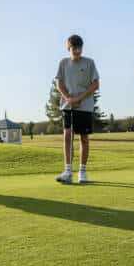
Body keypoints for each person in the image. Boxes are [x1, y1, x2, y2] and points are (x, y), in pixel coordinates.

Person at [55, 34, 100, 184]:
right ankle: (67, 170)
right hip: (68, 106)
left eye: (79, 48)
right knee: (67, 135)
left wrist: (79, 98)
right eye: (74, 48)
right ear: (69, 48)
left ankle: (82, 171)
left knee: (83, 138)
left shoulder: (89, 63)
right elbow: (59, 84)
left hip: (85, 106)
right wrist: (68, 98)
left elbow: (95, 84)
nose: (77, 51)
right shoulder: (63, 63)